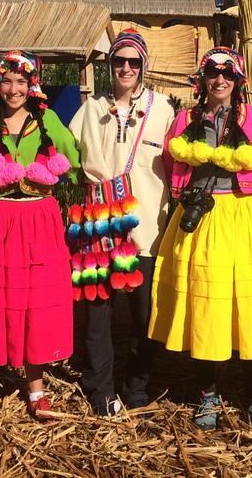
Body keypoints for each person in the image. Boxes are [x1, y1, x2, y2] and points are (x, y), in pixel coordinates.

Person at [148, 47, 252, 433]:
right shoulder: (185, 120)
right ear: (203, 78)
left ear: (237, 80)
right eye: (212, 72)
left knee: (248, 307)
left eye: (227, 73)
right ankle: (208, 394)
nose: (220, 79)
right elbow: (172, 164)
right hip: (198, 219)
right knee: (204, 306)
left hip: (241, 218)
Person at [0, 51, 82, 437]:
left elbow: (73, 164)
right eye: (7, 81)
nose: (14, 89)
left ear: (32, 85)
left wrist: (47, 172)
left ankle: (36, 391)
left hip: (37, 221)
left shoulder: (48, 121)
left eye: (22, 82)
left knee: (33, 304)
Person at [69, 29, 176, 416]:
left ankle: (136, 385)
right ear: (109, 66)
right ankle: (100, 388)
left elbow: (177, 165)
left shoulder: (162, 109)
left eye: (134, 62)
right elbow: (64, 151)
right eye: (119, 61)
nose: (126, 68)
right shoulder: (90, 109)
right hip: (100, 229)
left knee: (145, 314)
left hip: (147, 228)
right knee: (98, 314)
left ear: (143, 66)